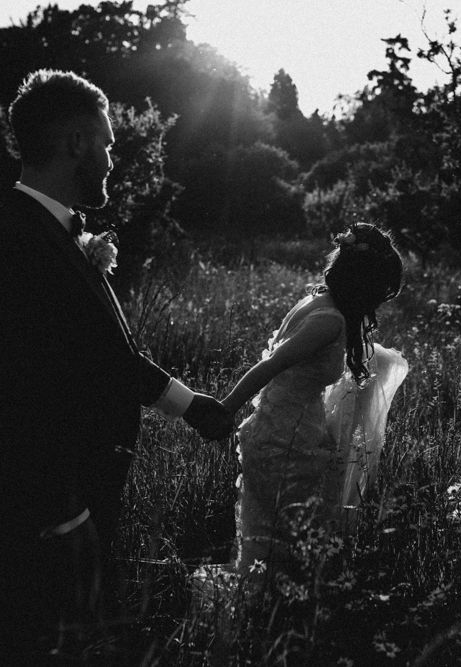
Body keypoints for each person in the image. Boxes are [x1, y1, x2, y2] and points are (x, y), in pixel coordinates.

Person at [0, 69, 234, 658]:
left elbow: (100, 355)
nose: (111, 157)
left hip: (82, 489)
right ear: (76, 142)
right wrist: (61, 511)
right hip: (49, 503)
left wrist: (190, 405)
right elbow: (19, 387)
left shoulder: (49, 231)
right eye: (106, 142)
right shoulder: (15, 240)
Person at [220, 223, 408, 581]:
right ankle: (266, 616)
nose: (380, 301)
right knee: (286, 547)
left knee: (270, 541)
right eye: (381, 291)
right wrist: (224, 409)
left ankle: (257, 611)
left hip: (277, 431)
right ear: (366, 284)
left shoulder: (316, 302)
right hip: (285, 444)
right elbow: (271, 366)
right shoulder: (330, 320)